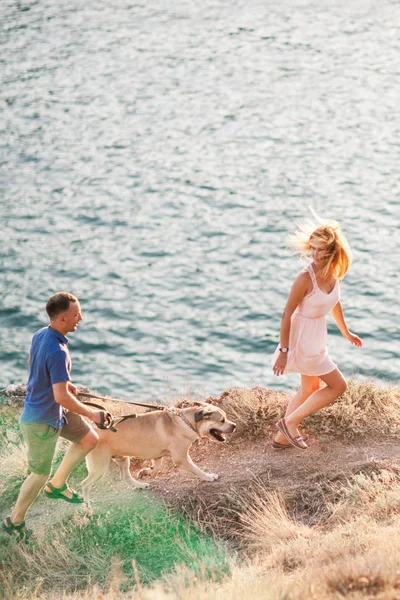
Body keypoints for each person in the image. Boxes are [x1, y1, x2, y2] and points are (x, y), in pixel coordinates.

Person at [2, 292, 111, 541]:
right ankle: (14, 521)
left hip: (56, 412)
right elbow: (61, 397)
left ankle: (58, 484)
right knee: (39, 474)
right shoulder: (58, 350)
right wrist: (92, 413)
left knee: (88, 439)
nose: (80, 318)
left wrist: (62, 382)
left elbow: (33, 361)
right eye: (76, 314)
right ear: (62, 319)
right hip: (40, 420)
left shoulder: (42, 334)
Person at [271, 219, 362, 450]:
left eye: (321, 249)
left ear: (333, 252)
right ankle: (290, 423)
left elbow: (334, 302)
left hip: (316, 336)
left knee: (309, 389)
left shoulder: (333, 272)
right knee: (338, 386)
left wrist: (346, 331)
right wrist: (284, 350)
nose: (315, 254)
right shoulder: (305, 278)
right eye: (313, 247)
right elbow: (286, 314)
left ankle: (281, 439)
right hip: (302, 338)